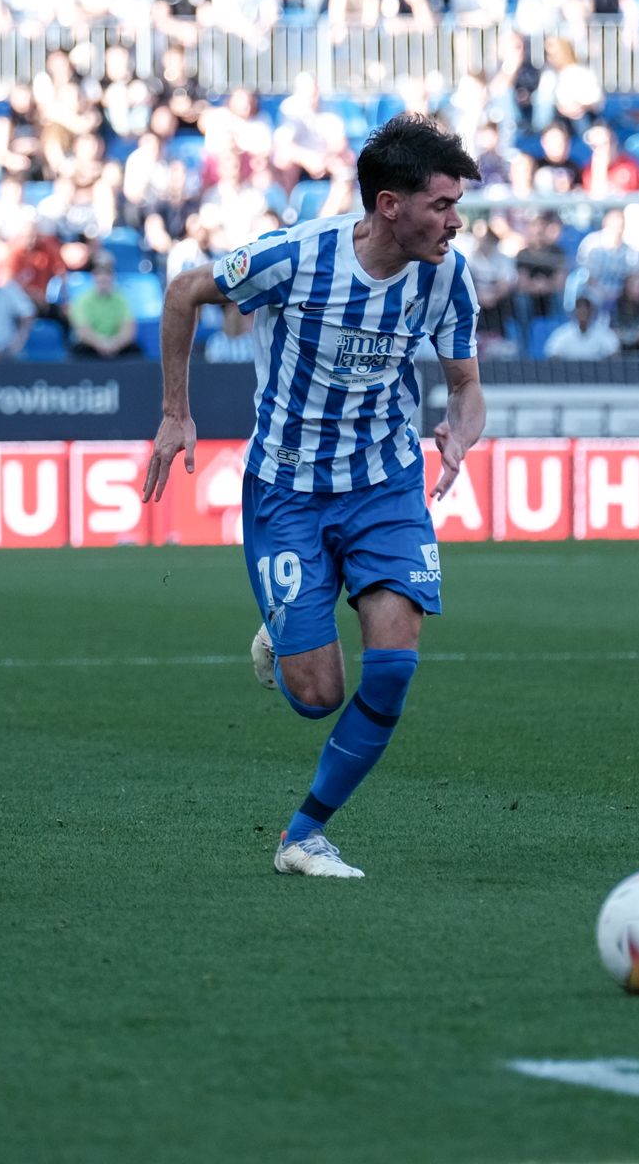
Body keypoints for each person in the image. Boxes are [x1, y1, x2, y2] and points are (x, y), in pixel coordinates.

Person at [141, 113, 486, 878]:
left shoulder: (449, 276)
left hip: (386, 485)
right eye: (442, 205)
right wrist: (175, 410)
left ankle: (303, 834)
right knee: (318, 695)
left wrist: (461, 434)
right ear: (390, 204)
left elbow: (466, 389)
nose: (455, 222)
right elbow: (183, 292)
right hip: (289, 490)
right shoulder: (295, 257)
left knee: (393, 666)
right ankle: (282, 633)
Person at [544, 295, 621, 359]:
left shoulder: (604, 333)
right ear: (575, 312)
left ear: (592, 312)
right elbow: (552, 353)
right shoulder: (562, 333)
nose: (583, 314)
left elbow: (614, 354)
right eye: (580, 311)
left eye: (586, 311)